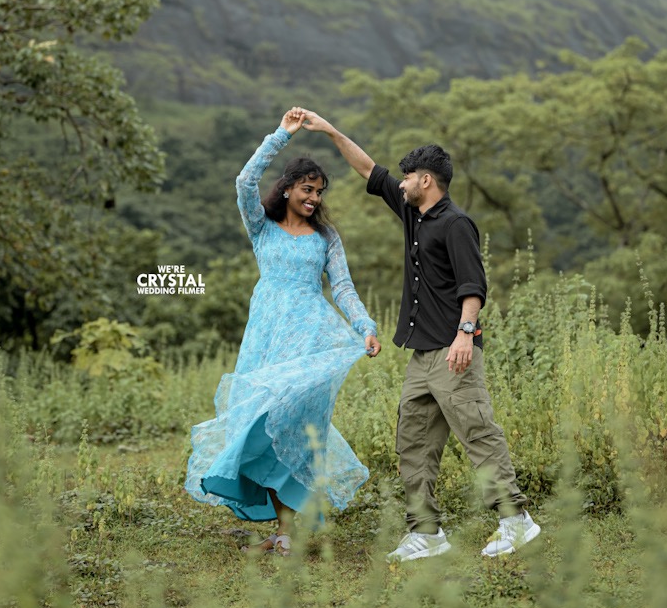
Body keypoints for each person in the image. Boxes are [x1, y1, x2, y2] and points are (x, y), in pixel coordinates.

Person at [299, 109, 540, 561]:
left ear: (426, 180)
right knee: (413, 442)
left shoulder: (455, 224)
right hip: (422, 355)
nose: (403, 183)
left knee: (477, 432)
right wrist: (329, 130)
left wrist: (465, 335)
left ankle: (516, 520)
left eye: (408, 177)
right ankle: (427, 532)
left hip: (453, 350)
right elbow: (370, 171)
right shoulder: (414, 215)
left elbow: (474, 286)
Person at [185, 108, 380, 557]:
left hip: (310, 340)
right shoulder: (262, 228)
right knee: (260, 422)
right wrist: (281, 135)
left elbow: (343, 288)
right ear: (288, 188)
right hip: (266, 339)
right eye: (307, 189)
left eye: (319, 192)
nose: (314, 198)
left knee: (295, 426)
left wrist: (365, 326)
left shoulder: (325, 238)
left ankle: (287, 533)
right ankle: (281, 528)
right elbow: (243, 182)